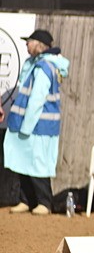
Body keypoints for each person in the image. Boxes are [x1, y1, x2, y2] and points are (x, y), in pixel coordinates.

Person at [1, 29, 70, 214]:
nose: (26, 44)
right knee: (23, 161)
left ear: (38, 44)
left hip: (38, 125)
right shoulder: (34, 64)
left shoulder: (44, 67)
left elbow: (37, 99)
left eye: (29, 41)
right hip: (28, 124)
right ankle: (26, 200)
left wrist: (27, 126)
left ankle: (44, 203)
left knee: (38, 163)